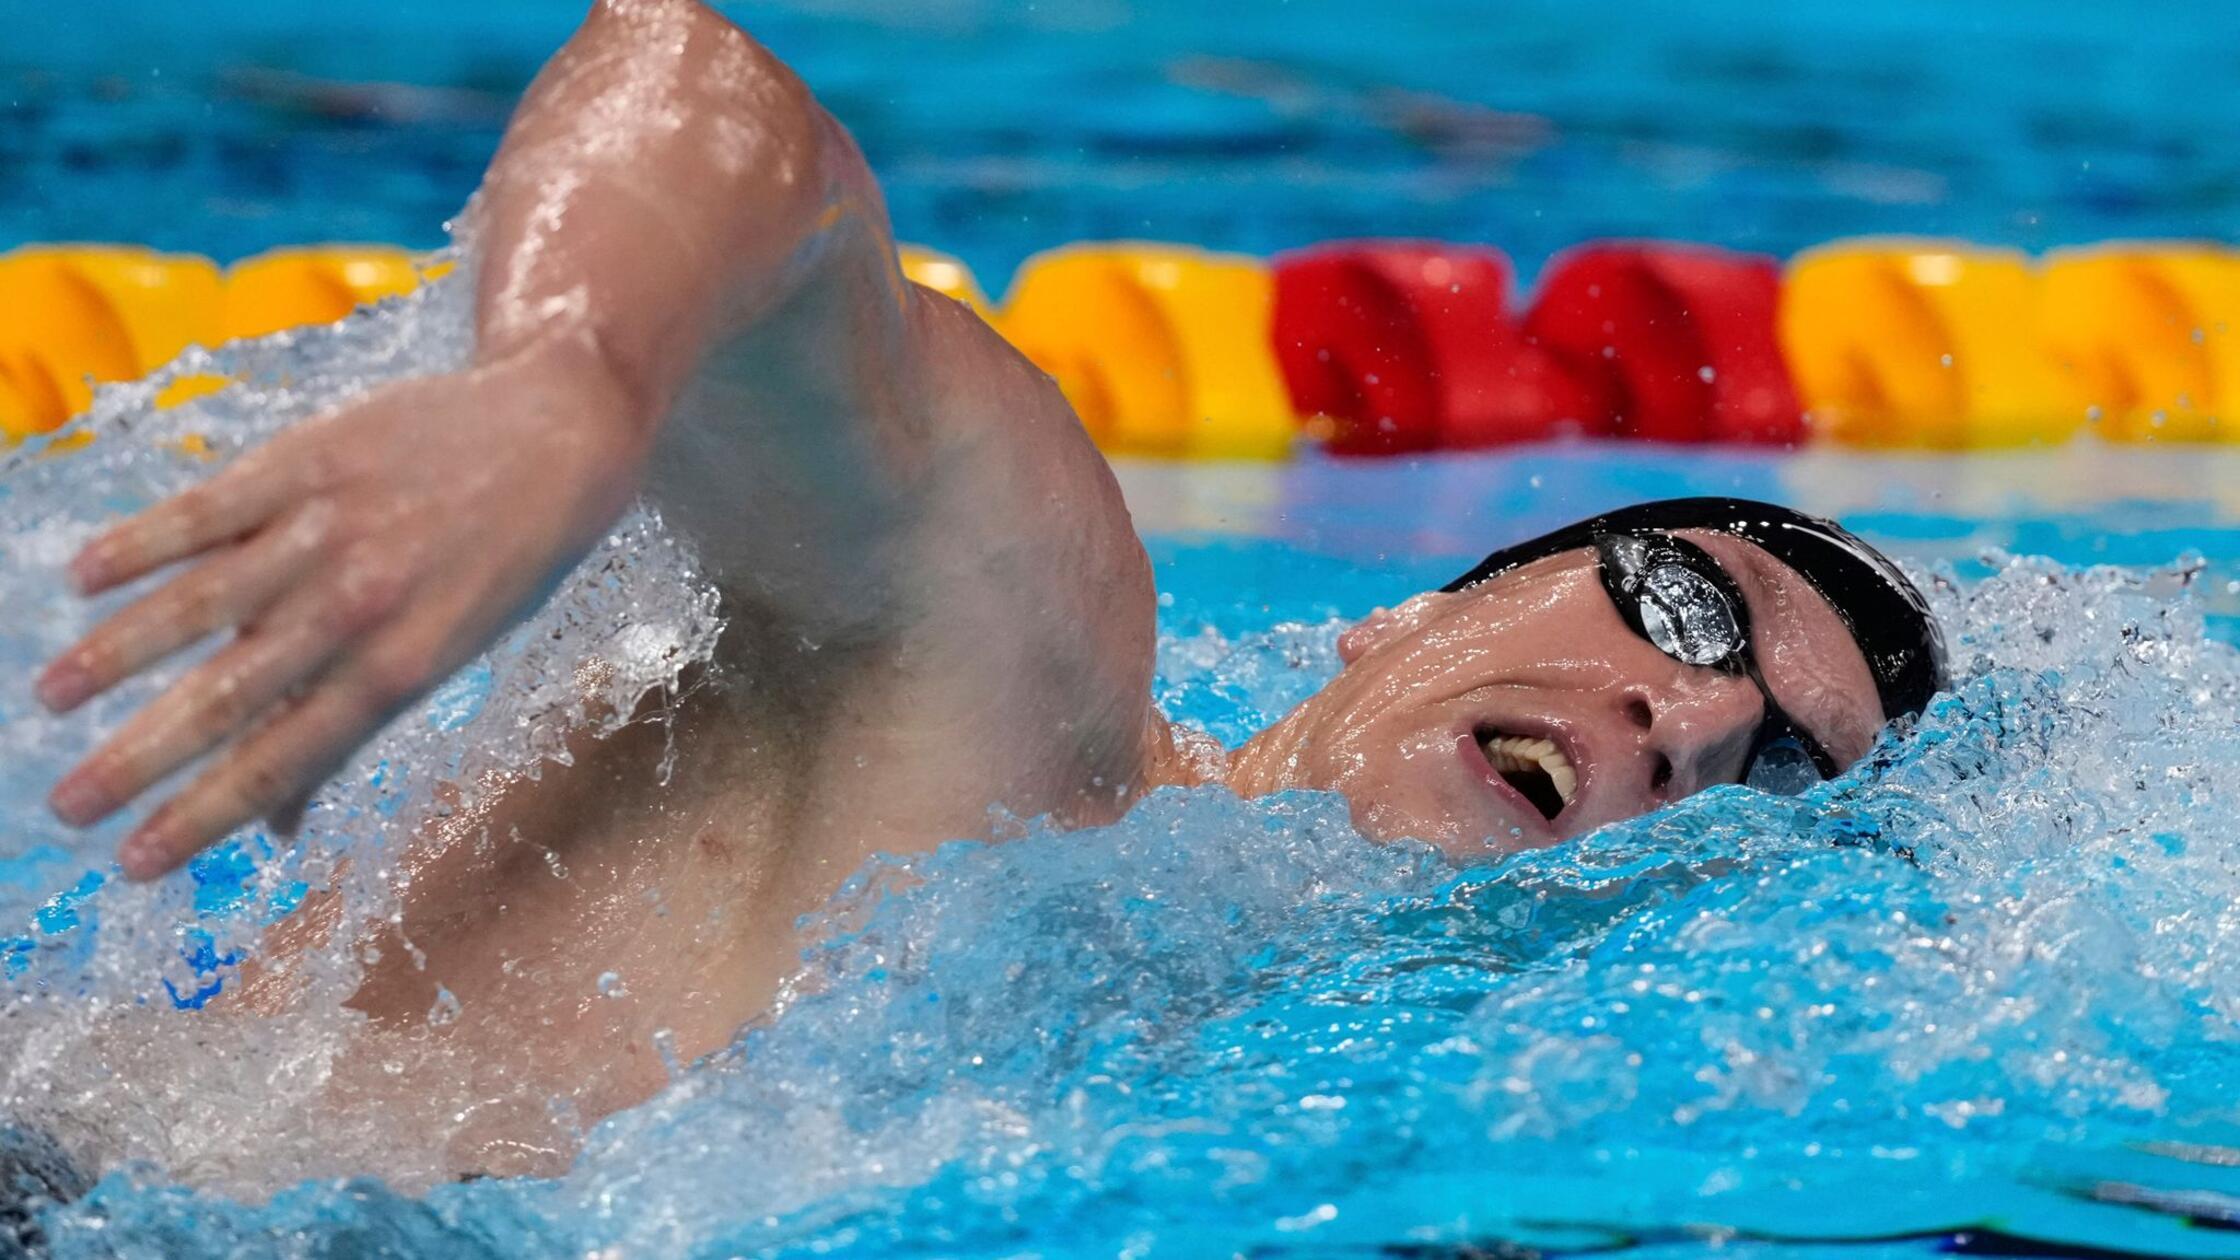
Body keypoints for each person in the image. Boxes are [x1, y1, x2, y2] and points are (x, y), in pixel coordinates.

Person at [26, 0, 1942, 1177]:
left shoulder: (1234, 1065)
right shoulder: (1034, 685)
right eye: (1687, 615)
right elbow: (700, 85)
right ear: (1411, 609)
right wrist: (568, 390)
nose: (1689, 726)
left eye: (1774, 765)